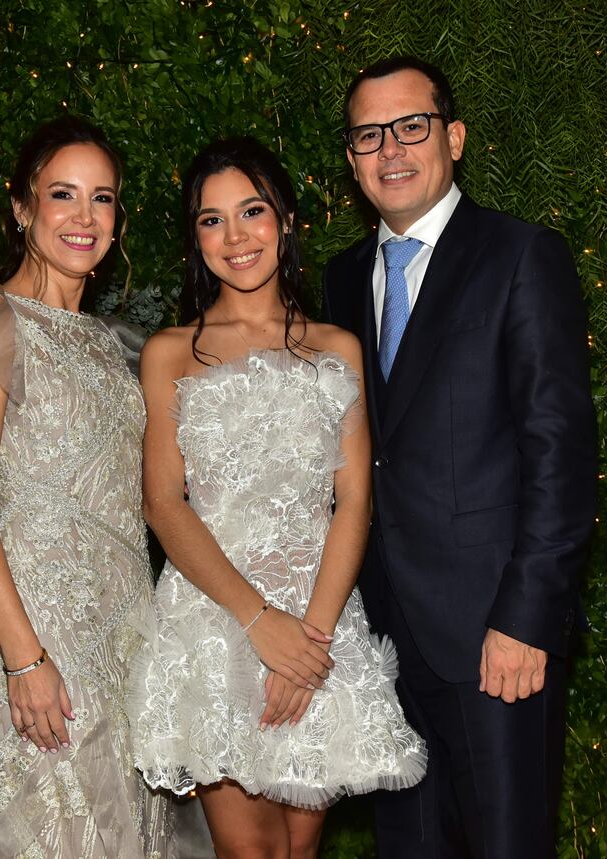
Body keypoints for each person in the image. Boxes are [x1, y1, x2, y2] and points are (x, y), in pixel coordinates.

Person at [322, 56, 596, 858]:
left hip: (495, 640)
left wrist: (525, 616)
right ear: (351, 158)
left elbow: (560, 451)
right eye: (369, 135)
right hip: (382, 643)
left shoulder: (520, 256)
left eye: (411, 126)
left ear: (455, 137)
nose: (391, 149)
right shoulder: (340, 280)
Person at [128, 137, 426, 859]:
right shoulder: (170, 351)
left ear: (286, 219)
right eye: (211, 219)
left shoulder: (338, 346)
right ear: (195, 238)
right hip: (217, 622)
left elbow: (354, 499)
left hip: (318, 623)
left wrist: (311, 642)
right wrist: (260, 624)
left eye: (252, 211)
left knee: (300, 849)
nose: (234, 236)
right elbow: (164, 502)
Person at [0, 116, 173, 858]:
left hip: (126, 624)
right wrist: (23, 658)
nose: (85, 217)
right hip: (36, 630)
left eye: (103, 199)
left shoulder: (108, 340)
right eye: (63, 195)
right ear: (23, 207)